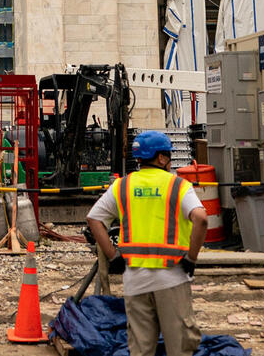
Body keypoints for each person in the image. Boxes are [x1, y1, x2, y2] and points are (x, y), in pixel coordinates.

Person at [87, 130, 205, 356]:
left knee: (140, 350)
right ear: (161, 158)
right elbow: (201, 218)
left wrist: (113, 257)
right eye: (168, 155)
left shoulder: (122, 186)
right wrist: (191, 258)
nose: (169, 160)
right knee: (180, 347)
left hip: (135, 281)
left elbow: (94, 219)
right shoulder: (178, 186)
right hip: (172, 277)